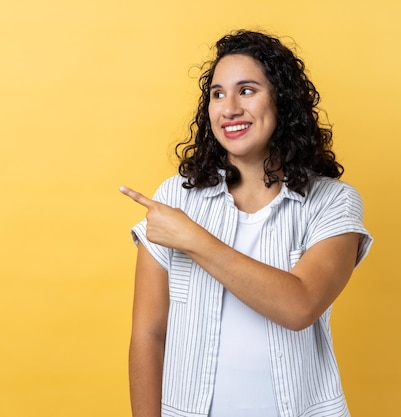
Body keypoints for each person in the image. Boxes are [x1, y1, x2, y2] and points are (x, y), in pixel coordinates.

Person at [120, 29, 372, 417]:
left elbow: (299, 305)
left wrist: (194, 239)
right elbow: (148, 335)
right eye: (218, 94)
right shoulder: (175, 198)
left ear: (282, 102)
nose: (229, 108)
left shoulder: (333, 203)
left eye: (247, 90)